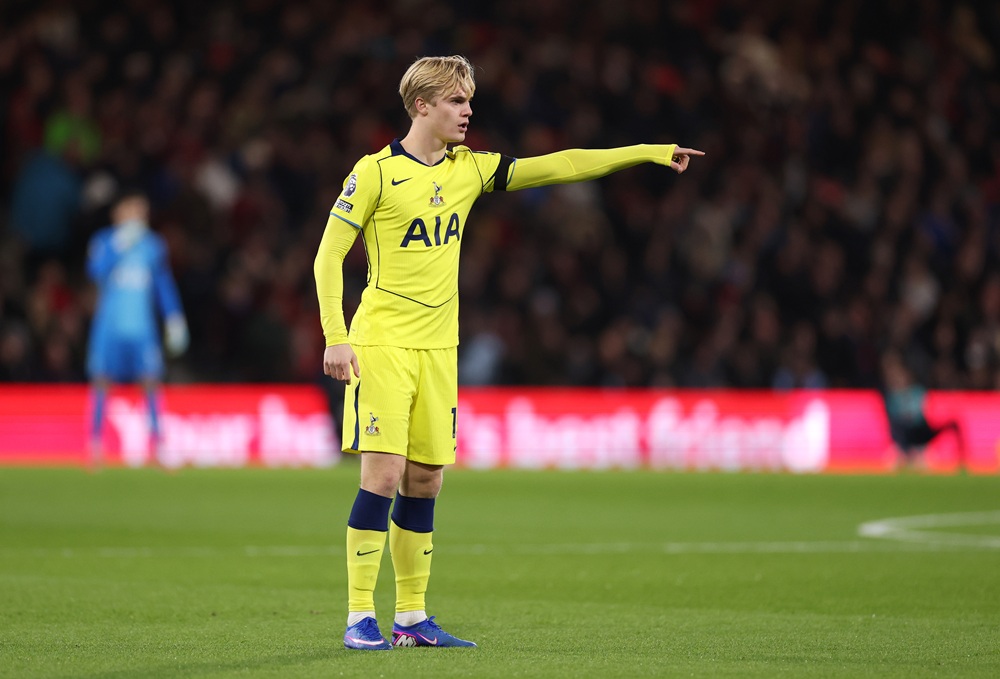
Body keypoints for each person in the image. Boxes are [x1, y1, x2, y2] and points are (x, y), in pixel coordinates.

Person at [314, 55, 703, 651]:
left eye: (469, 100)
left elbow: (561, 165)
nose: (468, 111)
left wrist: (645, 151)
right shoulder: (374, 174)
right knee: (384, 474)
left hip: (440, 347)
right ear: (422, 106)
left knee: (426, 480)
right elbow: (327, 256)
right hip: (382, 343)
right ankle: (359, 616)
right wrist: (336, 335)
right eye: (455, 101)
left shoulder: (471, 170)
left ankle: (412, 619)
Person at [86, 190, 188, 468]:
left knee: (151, 382)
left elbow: (162, 285)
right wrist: (118, 246)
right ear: (118, 213)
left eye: (142, 213)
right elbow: (94, 272)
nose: (138, 218)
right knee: (101, 382)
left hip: (142, 328)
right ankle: (94, 445)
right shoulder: (104, 241)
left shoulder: (152, 245)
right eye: (132, 211)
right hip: (109, 327)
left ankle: (159, 446)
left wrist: (174, 317)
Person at [881, 351, 964, 470]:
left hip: (919, 438)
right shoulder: (892, 397)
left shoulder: (918, 393)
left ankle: (961, 458)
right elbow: (894, 420)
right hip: (903, 440)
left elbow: (919, 416)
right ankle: (905, 453)